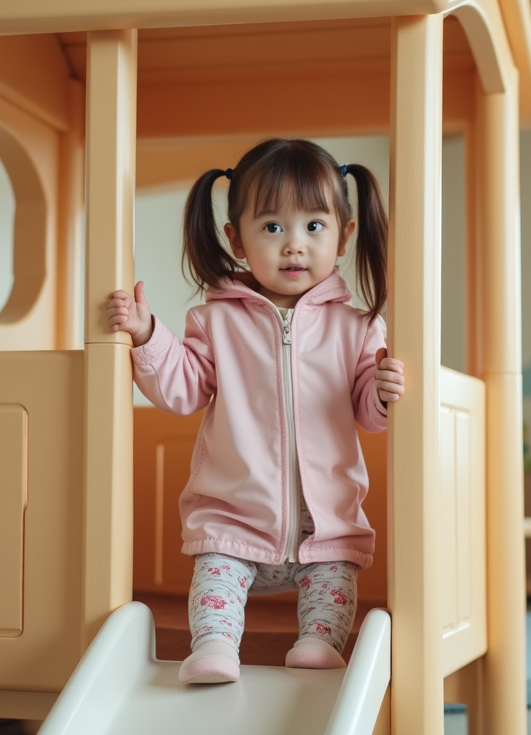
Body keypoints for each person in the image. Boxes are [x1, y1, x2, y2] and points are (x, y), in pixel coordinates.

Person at [107, 139, 405, 684]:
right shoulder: (214, 322)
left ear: (344, 233)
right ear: (236, 241)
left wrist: (383, 392)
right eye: (272, 228)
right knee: (217, 577)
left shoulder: (359, 327)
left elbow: (367, 410)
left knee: (333, 578)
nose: (294, 245)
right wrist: (148, 334)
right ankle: (215, 646)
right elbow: (184, 389)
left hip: (328, 520)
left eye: (314, 226)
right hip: (233, 516)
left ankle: (319, 642)